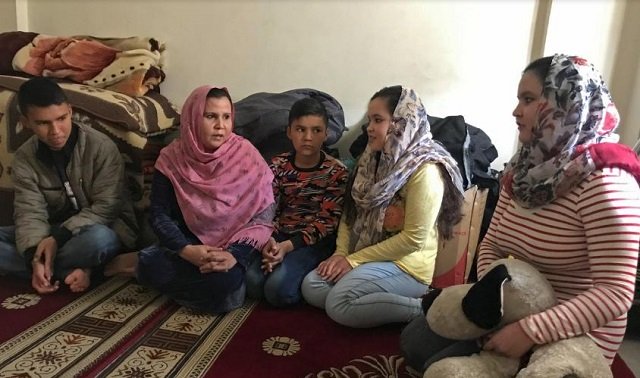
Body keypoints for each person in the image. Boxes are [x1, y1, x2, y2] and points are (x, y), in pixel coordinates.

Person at [400, 54, 640, 373]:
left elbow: (615, 294)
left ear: (567, 104)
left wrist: (531, 331)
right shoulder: (523, 171)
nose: (516, 111)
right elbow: (492, 245)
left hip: (576, 330)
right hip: (518, 310)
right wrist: (496, 305)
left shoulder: (607, 183)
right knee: (416, 342)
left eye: (528, 99)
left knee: (437, 365)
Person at [300, 85, 465, 328]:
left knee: (338, 304)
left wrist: (353, 261)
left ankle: (427, 309)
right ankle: (369, 300)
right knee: (312, 286)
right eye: (369, 120)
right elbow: (350, 213)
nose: (369, 128)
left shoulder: (425, 170)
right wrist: (340, 254)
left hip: (406, 266)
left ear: (401, 123)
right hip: (366, 255)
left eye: (378, 120)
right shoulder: (371, 160)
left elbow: (413, 240)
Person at [106, 85, 275, 314]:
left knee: (223, 283)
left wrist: (234, 255)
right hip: (189, 241)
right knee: (216, 286)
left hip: (234, 244)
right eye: (210, 116)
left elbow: (263, 216)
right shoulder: (172, 157)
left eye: (226, 117)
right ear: (193, 118)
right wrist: (187, 250)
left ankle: (142, 265)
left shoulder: (246, 155)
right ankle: (151, 265)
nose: (220, 126)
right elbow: (159, 214)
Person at [0, 77, 137, 294]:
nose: (56, 131)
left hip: (98, 229)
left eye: (61, 118)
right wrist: (34, 254)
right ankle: (72, 270)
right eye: (43, 123)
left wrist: (58, 238)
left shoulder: (101, 147)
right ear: (26, 122)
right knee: (15, 239)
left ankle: (57, 267)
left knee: (100, 240)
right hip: (49, 232)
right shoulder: (25, 158)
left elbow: (107, 207)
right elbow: (29, 213)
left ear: (70, 111)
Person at [245, 98, 348, 307]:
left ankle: (298, 282)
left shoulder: (336, 172)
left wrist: (288, 247)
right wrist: (270, 242)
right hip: (278, 235)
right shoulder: (277, 165)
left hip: (313, 242)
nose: (308, 137)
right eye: (301, 129)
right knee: (252, 283)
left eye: (316, 130)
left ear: (326, 134)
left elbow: (327, 222)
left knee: (278, 291)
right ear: (289, 132)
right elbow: (266, 209)